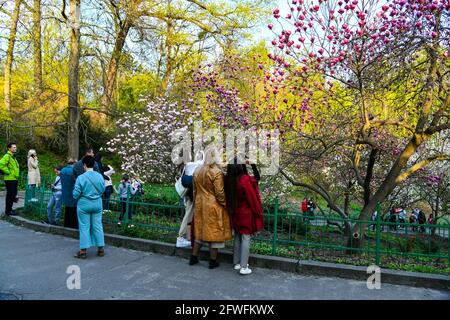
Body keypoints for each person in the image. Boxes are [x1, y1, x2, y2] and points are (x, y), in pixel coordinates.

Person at [189, 146, 232, 269]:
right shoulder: (216, 172)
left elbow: (194, 190)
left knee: (200, 231)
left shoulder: (197, 170)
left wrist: (196, 201)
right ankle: (213, 261)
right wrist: (224, 203)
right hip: (213, 204)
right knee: (214, 232)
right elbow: (219, 192)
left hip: (199, 203)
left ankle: (193, 257)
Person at [225, 158, 263, 275]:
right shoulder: (245, 180)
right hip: (245, 213)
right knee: (245, 238)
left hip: (234, 212)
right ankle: (243, 266)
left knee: (237, 236)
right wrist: (253, 165)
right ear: (241, 167)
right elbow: (256, 180)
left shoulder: (228, 180)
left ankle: (236, 263)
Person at [72, 156, 106, 259]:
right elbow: (103, 189)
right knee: (97, 225)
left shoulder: (81, 178)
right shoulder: (100, 176)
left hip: (84, 205)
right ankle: (100, 249)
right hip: (97, 204)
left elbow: (75, 194)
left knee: (84, 227)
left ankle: (83, 251)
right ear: (94, 165)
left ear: (84, 165)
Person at [176, 152, 204, 248]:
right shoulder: (192, 165)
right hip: (192, 196)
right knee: (188, 216)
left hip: (188, 195)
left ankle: (188, 238)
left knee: (189, 216)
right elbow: (202, 163)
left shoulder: (185, 166)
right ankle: (181, 237)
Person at [0, 143, 20, 216]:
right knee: (10, 195)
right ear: (9, 148)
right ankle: (8, 211)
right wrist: (8, 172)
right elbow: (1, 164)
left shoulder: (12, 157)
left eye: (16, 147)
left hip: (13, 178)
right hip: (10, 179)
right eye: (14, 147)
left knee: (12, 195)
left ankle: (10, 209)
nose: (15, 148)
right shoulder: (7, 156)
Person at [60, 158, 78, 229]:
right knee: (73, 211)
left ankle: (66, 224)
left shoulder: (63, 170)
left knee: (67, 210)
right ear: (74, 163)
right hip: (73, 193)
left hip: (65, 193)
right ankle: (72, 226)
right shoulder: (74, 171)